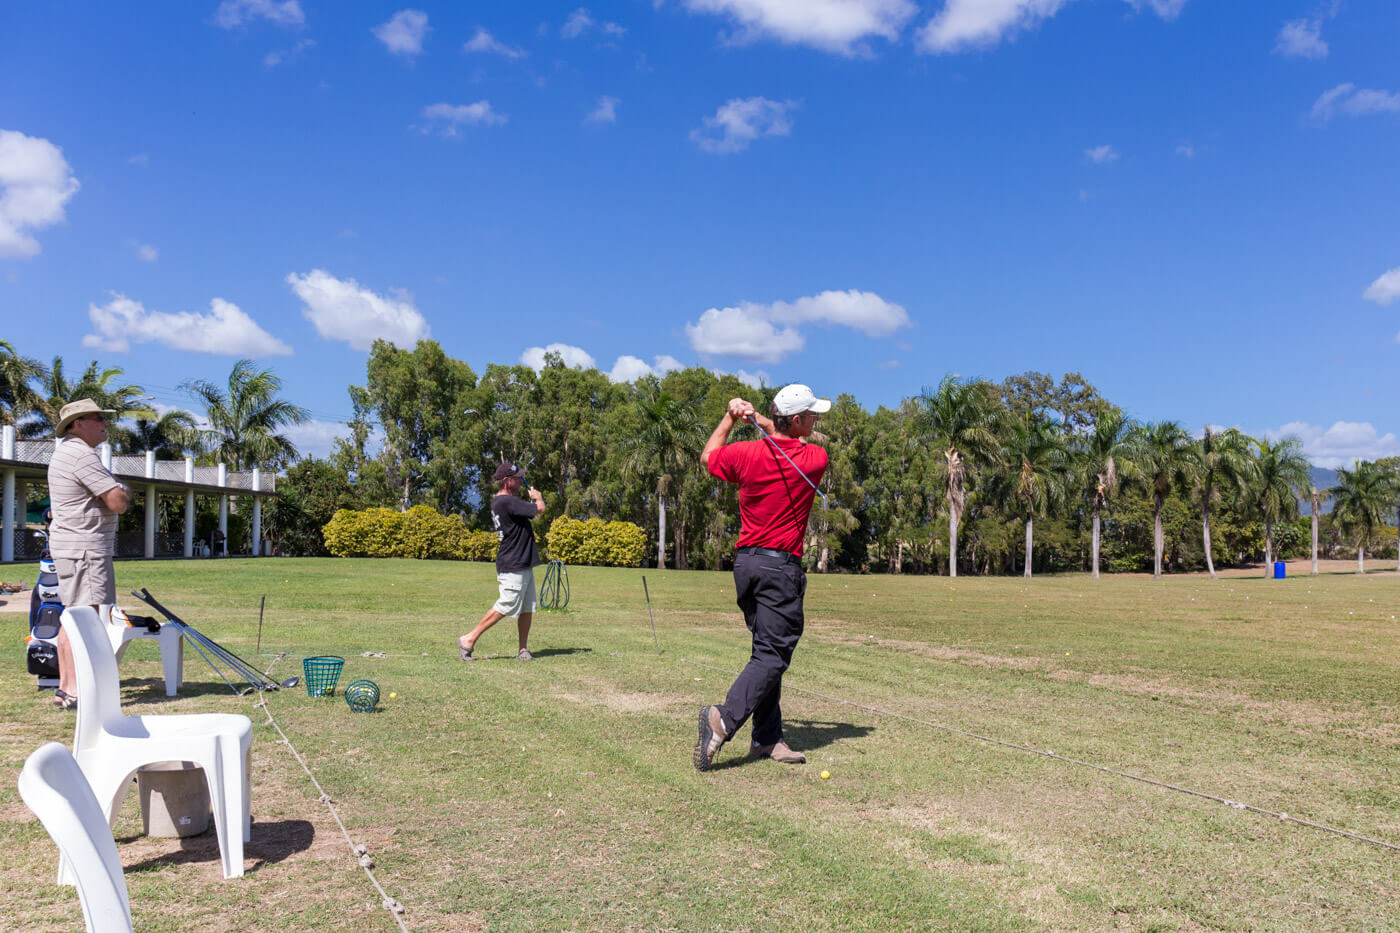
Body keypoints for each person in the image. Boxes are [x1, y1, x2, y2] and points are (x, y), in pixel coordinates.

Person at [694, 383, 830, 771]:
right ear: (799, 420)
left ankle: (767, 738)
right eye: (812, 415)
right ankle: (722, 719)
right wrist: (761, 420)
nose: (816, 420)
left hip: (747, 566)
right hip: (779, 568)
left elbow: (708, 456)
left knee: (764, 650)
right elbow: (780, 433)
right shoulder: (814, 458)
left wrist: (732, 417)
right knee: (773, 652)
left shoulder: (745, 453)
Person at [46, 399, 132, 710]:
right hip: (85, 549)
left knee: (73, 618)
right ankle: (79, 692)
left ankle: (68, 689)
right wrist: (122, 488)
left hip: (74, 547)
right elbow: (117, 501)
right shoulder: (81, 455)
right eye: (98, 418)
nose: (104, 423)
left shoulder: (69, 452)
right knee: (88, 619)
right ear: (78, 423)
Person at [458, 461, 545, 661]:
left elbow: (529, 513)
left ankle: (523, 649)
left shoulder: (504, 502)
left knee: (526, 607)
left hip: (521, 562)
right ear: (507, 481)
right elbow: (540, 509)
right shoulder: (507, 502)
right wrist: (538, 498)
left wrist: (531, 503)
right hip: (513, 562)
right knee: (507, 604)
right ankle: (468, 639)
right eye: (517, 479)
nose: (521, 482)